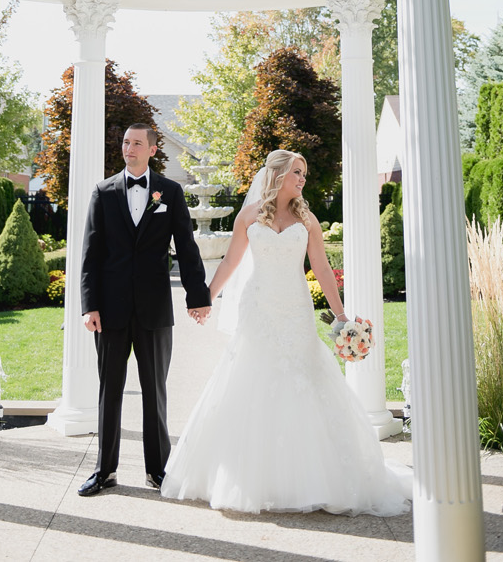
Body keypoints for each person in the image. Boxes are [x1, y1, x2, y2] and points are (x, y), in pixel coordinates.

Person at [161, 149, 410, 515]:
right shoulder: (250, 215)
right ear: (277, 174)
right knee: (250, 379)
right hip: (258, 309)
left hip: (295, 310)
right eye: (297, 172)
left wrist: (341, 317)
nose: (302, 179)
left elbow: (323, 269)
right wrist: (206, 298)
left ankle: (316, 478)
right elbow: (231, 262)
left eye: (304, 173)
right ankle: (249, 478)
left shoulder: (307, 219)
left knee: (305, 380)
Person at [77, 123, 212, 497]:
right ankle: (104, 471)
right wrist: (90, 306)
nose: (128, 148)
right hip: (110, 311)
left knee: (155, 391)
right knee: (110, 391)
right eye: (125, 142)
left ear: (153, 149)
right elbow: (90, 255)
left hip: (154, 309)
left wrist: (197, 296)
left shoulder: (170, 191)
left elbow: (186, 247)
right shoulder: (103, 192)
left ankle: (157, 471)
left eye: (137, 143)